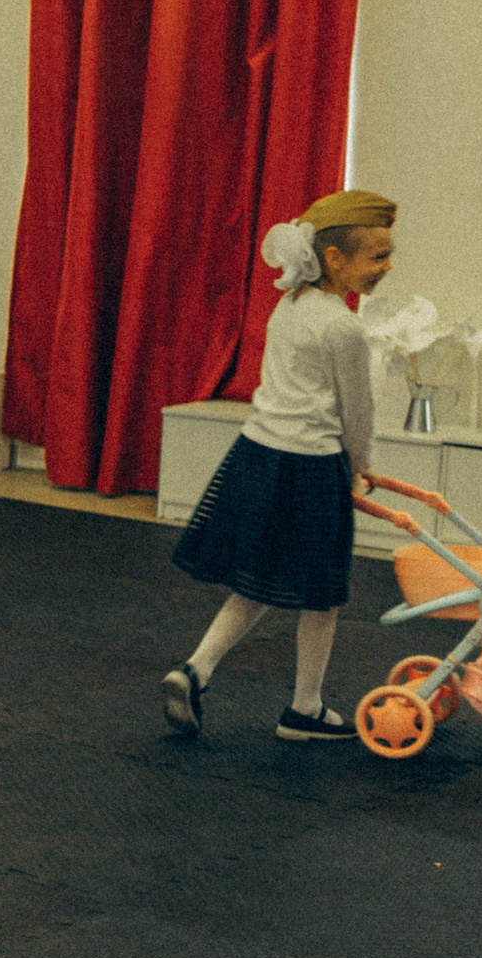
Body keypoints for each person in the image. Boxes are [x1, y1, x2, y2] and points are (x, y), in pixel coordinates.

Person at [164, 190, 399, 743]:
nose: (387, 267)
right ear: (335, 259)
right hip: (311, 469)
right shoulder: (344, 327)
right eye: (377, 257)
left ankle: (195, 670)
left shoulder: (289, 304)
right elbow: (355, 407)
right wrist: (361, 462)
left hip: (257, 454)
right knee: (322, 595)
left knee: (257, 584)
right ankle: (304, 709)